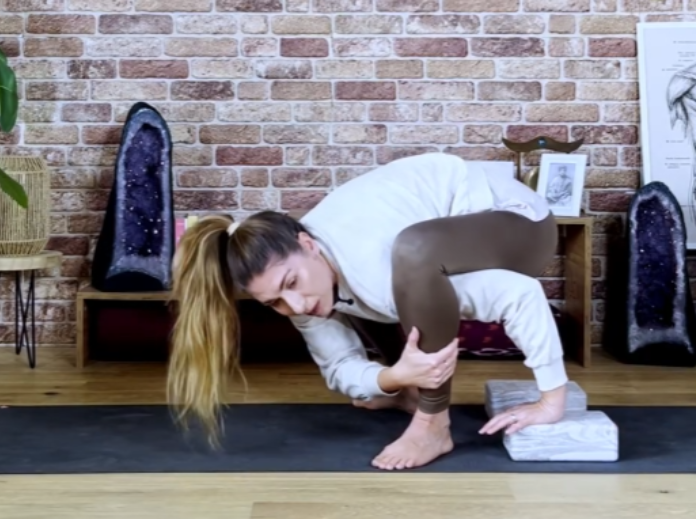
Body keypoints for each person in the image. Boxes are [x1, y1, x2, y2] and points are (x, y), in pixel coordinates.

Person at [166, 151, 568, 470]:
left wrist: (551, 399)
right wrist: (392, 377)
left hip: (523, 227)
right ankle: (410, 394)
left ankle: (433, 423)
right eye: (273, 303)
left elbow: (520, 293)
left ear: (307, 244)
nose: (296, 306)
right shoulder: (304, 280)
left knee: (409, 257)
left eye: (290, 285)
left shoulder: (379, 263)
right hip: (434, 251)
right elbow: (339, 368)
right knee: (346, 297)